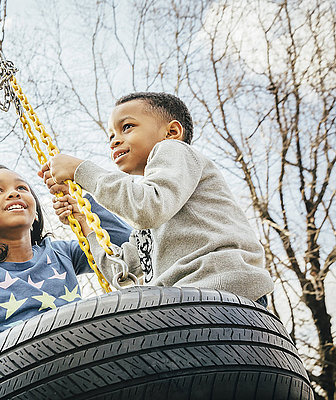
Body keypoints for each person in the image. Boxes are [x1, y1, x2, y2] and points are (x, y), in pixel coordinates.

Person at [40, 92, 273, 305]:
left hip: (223, 290)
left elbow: (147, 208)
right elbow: (121, 274)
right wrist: (84, 224)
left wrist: (81, 170)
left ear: (171, 132)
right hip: (186, 303)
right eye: (111, 136)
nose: (114, 140)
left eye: (127, 127)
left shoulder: (174, 150)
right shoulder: (153, 213)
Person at [0, 165, 132, 341]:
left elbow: (127, 248)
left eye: (22, 188)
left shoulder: (62, 253)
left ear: (35, 215)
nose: (14, 193)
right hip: (14, 370)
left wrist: (85, 213)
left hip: (77, 350)